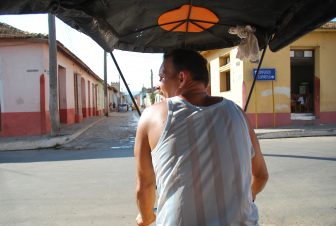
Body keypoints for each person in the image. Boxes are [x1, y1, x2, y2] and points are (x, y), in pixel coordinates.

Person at [134, 49, 268, 226]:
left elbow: (145, 187)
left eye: (162, 77)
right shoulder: (238, 113)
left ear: (182, 78)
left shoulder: (152, 116)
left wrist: (146, 217)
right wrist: (245, 198)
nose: (160, 85)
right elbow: (261, 176)